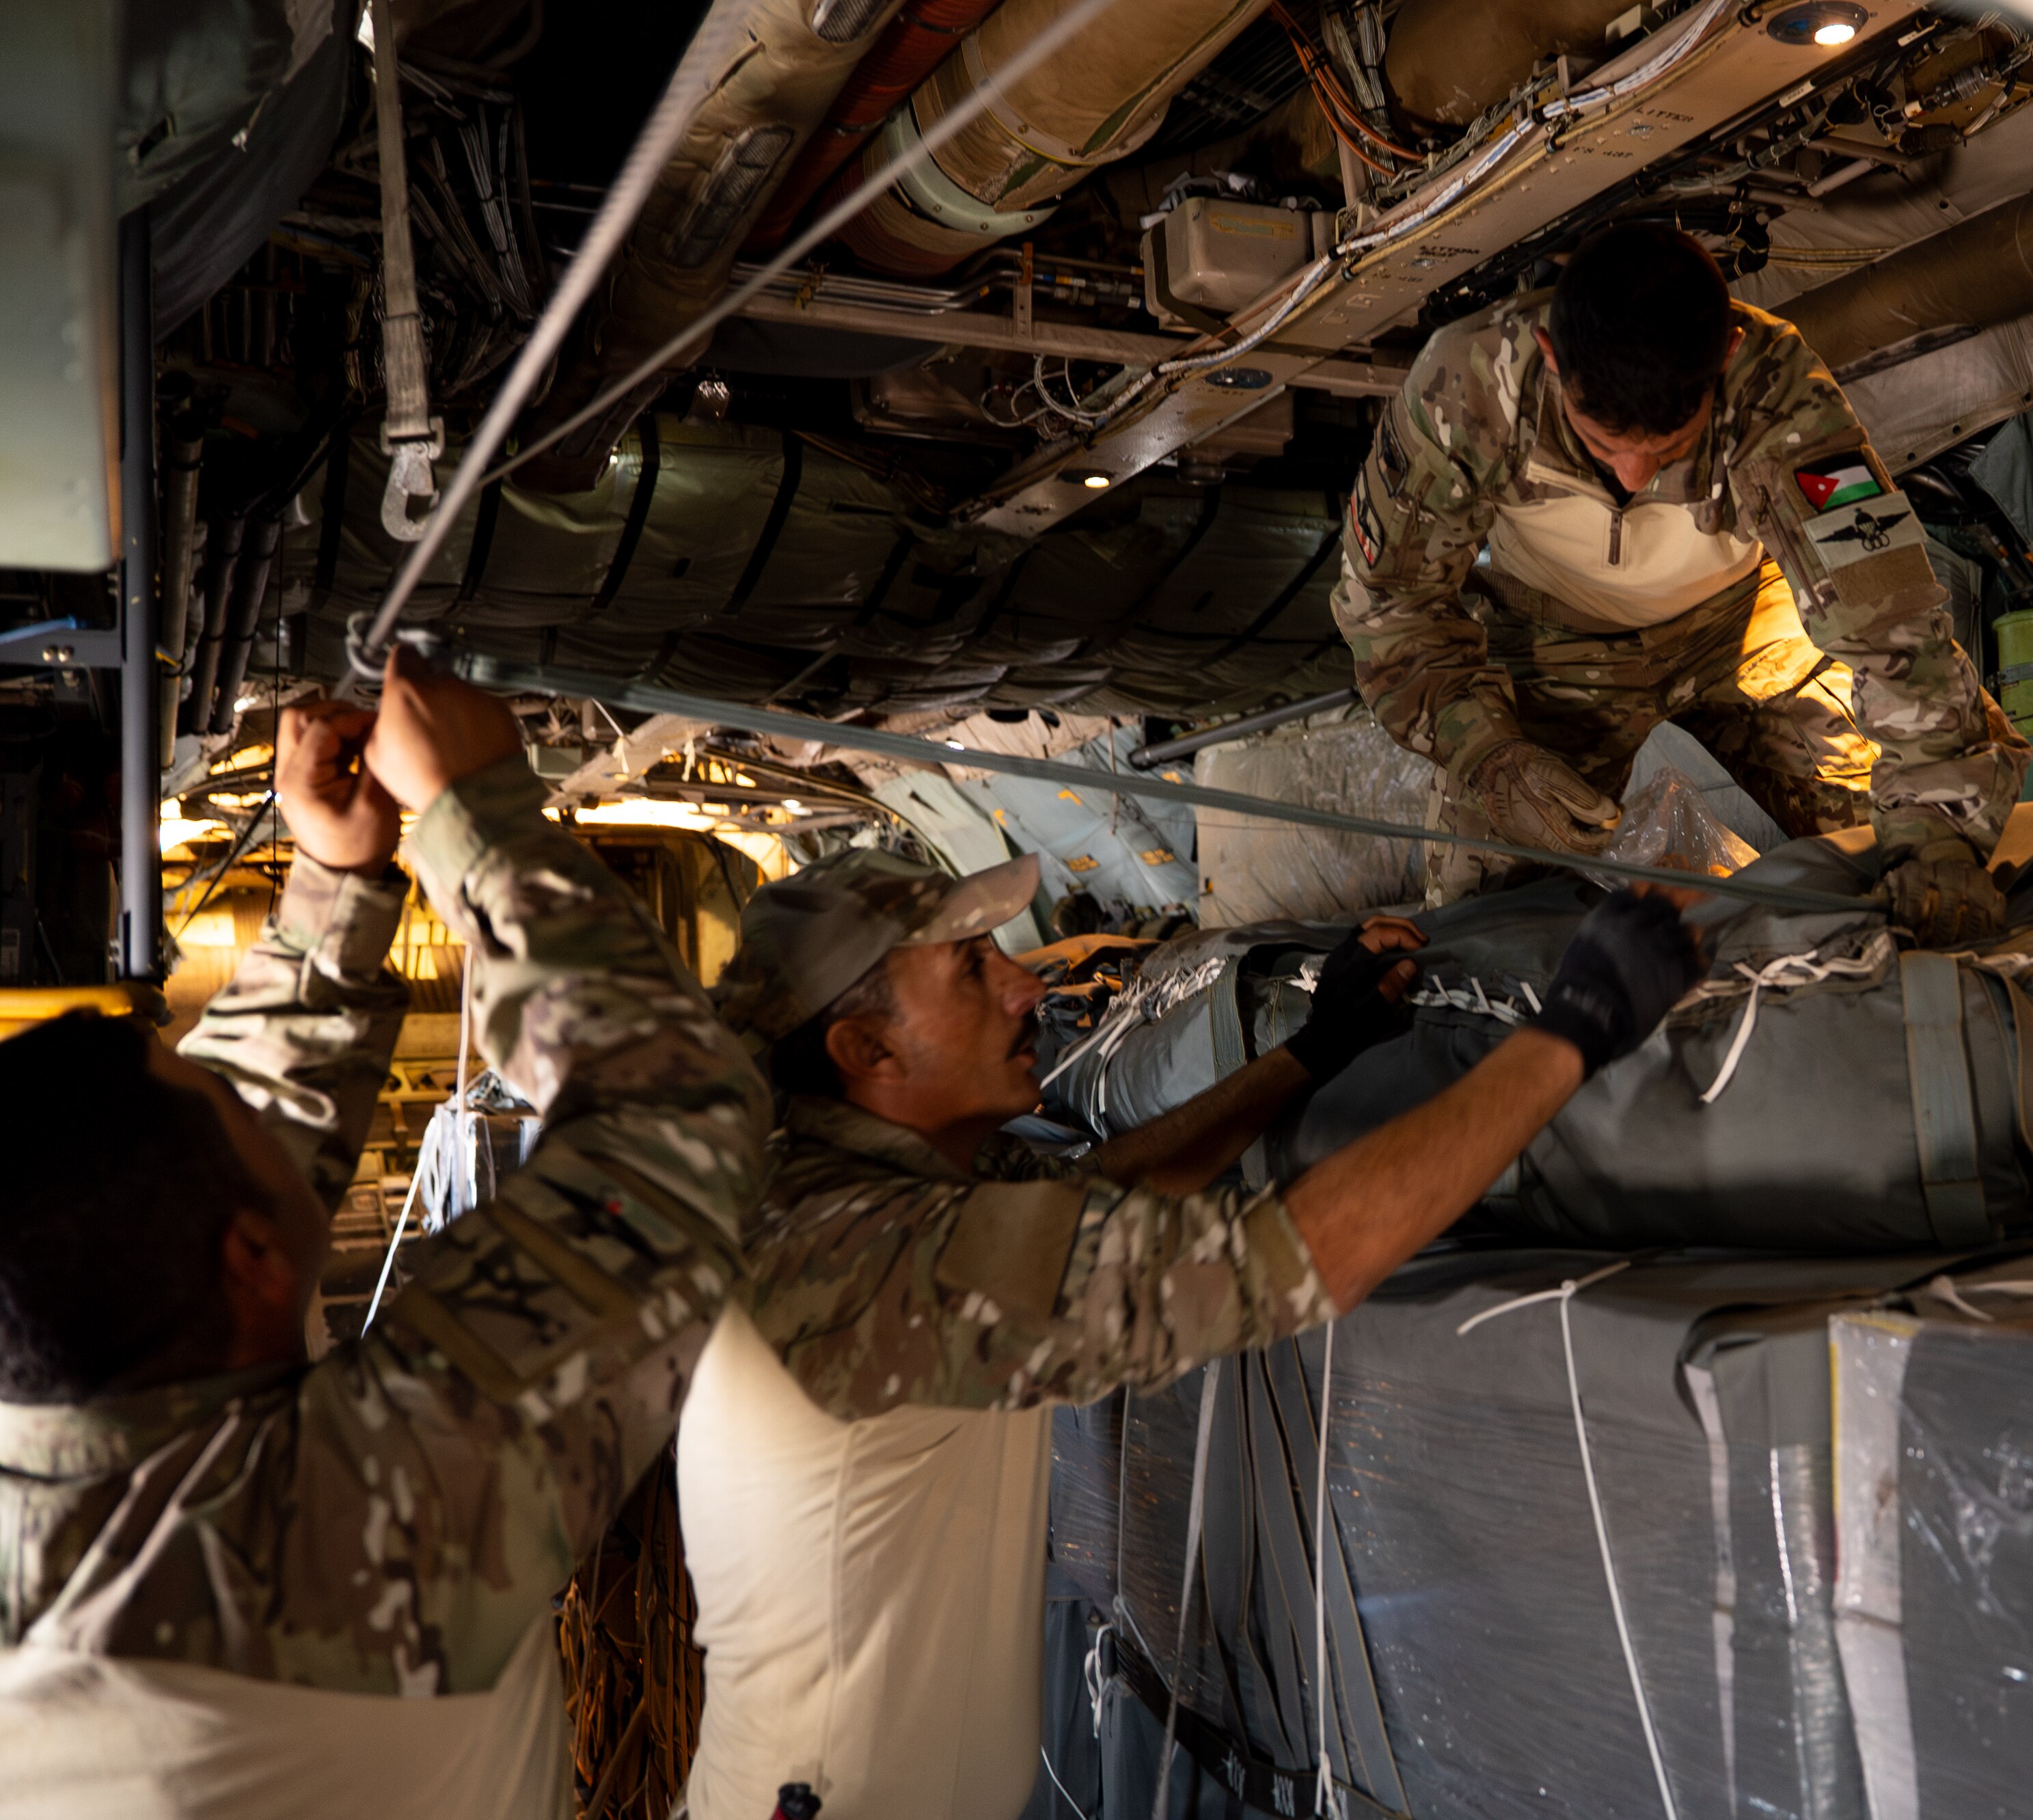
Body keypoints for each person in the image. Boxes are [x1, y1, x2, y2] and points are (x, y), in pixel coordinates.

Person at [676, 847, 1706, 1820]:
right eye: (970, 968)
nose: (1024, 986)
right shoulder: (862, 1258)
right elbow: (1285, 1261)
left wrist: (1315, 1051)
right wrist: (1570, 1031)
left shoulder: (873, 1180)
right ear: (868, 1048)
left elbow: (1100, 1191)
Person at [0, 648, 769, 1818]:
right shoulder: (343, 1534)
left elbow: (197, 1176)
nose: (256, 1111)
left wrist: (335, 881)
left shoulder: (70, 1390)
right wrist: (479, 817)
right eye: (228, 1108)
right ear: (250, 1263)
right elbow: (672, 1123)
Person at [1333, 219, 2030, 938]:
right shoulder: (1466, 386)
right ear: (1549, 356)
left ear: (1724, 356)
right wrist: (1484, 748)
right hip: (1556, 644)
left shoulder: (1775, 385)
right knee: (1490, 908)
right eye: (1602, 444)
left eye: (1669, 447)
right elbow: (1389, 606)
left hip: (1749, 624)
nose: (1633, 475)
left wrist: (1937, 831)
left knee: (1891, 839)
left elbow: (1889, 618)